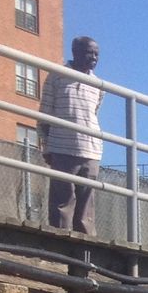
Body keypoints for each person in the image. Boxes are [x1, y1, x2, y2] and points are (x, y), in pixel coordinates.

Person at [40, 36, 102, 234]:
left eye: (96, 54)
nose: (93, 57)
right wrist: (47, 145)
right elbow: (45, 113)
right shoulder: (57, 76)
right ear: (75, 52)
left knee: (86, 204)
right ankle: (61, 244)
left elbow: (94, 113)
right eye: (89, 52)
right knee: (62, 199)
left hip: (91, 150)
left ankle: (87, 247)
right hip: (62, 146)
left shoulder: (98, 84)